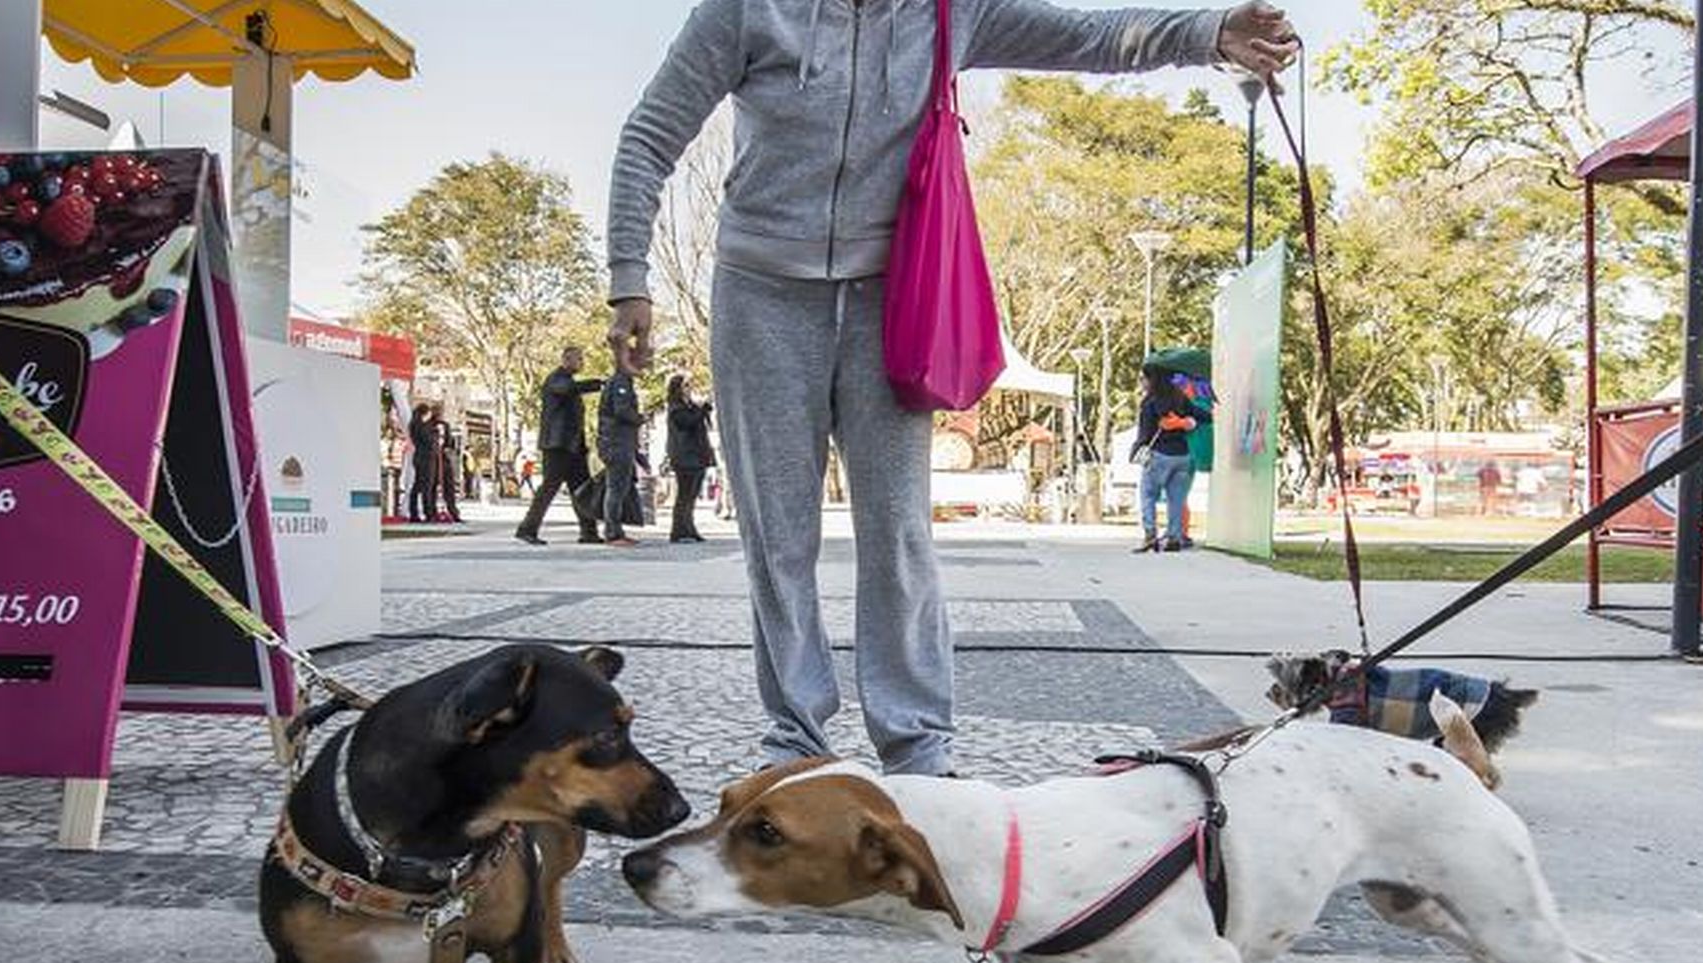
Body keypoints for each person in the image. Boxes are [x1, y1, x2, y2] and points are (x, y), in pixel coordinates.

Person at [607, 0, 1299, 773]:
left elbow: (1092, 37)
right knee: (778, 537)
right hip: (762, 293)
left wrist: (1208, 34)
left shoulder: (949, 12)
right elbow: (650, 134)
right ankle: (794, 743)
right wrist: (628, 278)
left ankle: (917, 745)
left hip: (891, 298)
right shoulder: (747, 11)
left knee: (900, 534)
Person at [516, 346, 604, 545]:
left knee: (581, 489)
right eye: (578, 359)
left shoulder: (568, 381)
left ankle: (588, 531)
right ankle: (527, 529)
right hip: (557, 446)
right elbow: (566, 389)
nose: (582, 363)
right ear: (566, 360)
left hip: (573, 447)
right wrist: (598, 384)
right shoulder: (556, 379)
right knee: (549, 487)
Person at [1132, 368, 1208, 553]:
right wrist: (1186, 422)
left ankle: (1150, 535)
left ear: (1152, 380)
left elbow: (1144, 433)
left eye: (1143, 378)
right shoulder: (1181, 399)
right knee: (1176, 499)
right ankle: (1174, 538)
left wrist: (1136, 449)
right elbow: (1205, 416)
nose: (1142, 382)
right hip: (1183, 457)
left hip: (1160, 455)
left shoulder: (1149, 402)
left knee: (1148, 495)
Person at [597, 364, 646, 545]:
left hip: (619, 442)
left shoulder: (622, 381)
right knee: (616, 488)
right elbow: (622, 410)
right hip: (616, 442)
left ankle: (616, 530)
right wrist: (639, 418)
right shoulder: (620, 381)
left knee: (618, 488)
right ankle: (612, 533)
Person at [664, 375, 713, 543]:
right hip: (685, 456)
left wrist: (701, 409)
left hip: (696, 455)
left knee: (691, 496)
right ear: (677, 388)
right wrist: (702, 410)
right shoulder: (676, 408)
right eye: (685, 385)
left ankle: (689, 528)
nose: (689, 388)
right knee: (684, 495)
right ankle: (678, 530)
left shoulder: (689, 405)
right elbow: (686, 423)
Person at [405, 402, 439, 524]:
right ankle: (428, 513)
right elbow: (430, 441)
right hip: (426, 458)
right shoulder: (422, 426)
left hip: (419, 457)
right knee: (427, 486)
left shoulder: (414, 424)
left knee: (417, 485)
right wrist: (435, 435)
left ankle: (414, 512)